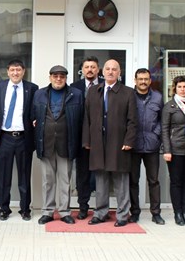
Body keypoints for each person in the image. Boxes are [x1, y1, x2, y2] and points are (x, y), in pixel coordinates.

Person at [82, 59, 137, 227]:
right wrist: (87, 140)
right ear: (102, 72)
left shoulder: (128, 92)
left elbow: (133, 120)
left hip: (119, 143)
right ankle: (100, 213)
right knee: (101, 181)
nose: (111, 72)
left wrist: (129, 140)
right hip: (98, 142)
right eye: (108, 69)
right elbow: (87, 118)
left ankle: (122, 215)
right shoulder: (93, 91)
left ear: (119, 73)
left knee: (121, 181)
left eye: (114, 69)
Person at [32, 65, 83, 225]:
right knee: (48, 181)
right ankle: (47, 211)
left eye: (62, 76)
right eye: (55, 76)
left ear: (66, 78)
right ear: (50, 77)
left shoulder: (76, 94)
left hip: (66, 143)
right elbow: (33, 115)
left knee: (65, 180)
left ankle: (64, 212)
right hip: (46, 142)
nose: (58, 79)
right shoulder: (39, 94)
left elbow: (82, 119)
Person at [0, 59, 38, 221]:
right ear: (8, 71)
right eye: (12, 70)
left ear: (23, 71)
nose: (15, 73)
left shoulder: (32, 88)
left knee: (24, 176)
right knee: (4, 176)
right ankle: (4, 209)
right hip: (4, 137)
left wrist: (36, 120)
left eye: (18, 70)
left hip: (23, 138)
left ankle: (25, 209)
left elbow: (35, 109)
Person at [161, 75, 185, 226]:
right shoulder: (169, 106)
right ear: (174, 89)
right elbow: (164, 129)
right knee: (176, 182)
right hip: (175, 150)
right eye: (179, 87)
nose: (182, 89)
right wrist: (167, 150)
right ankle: (177, 213)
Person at [130, 68, 165, 225]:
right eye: (140, 79)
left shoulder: (158, 97)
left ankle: (156, 213)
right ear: (135, 80)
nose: (143, 82)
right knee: (133, 181)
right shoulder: (129, 96)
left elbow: (162, 119)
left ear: (150, 81)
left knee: (153, 181)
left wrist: (156, 134)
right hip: (133, 145)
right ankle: (134, 212)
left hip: (152, 145)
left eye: (146, 79)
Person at [71, 56, 103, 219]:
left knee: (101, 174)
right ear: (82, 70)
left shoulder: (105, 85)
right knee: (82, 174)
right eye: (87, 67)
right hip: (80, 138)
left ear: (98, 69)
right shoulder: (74, 87)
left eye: (93, 67)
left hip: (101, 138)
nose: (90, 70)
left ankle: (101, 207)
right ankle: (83, 206)